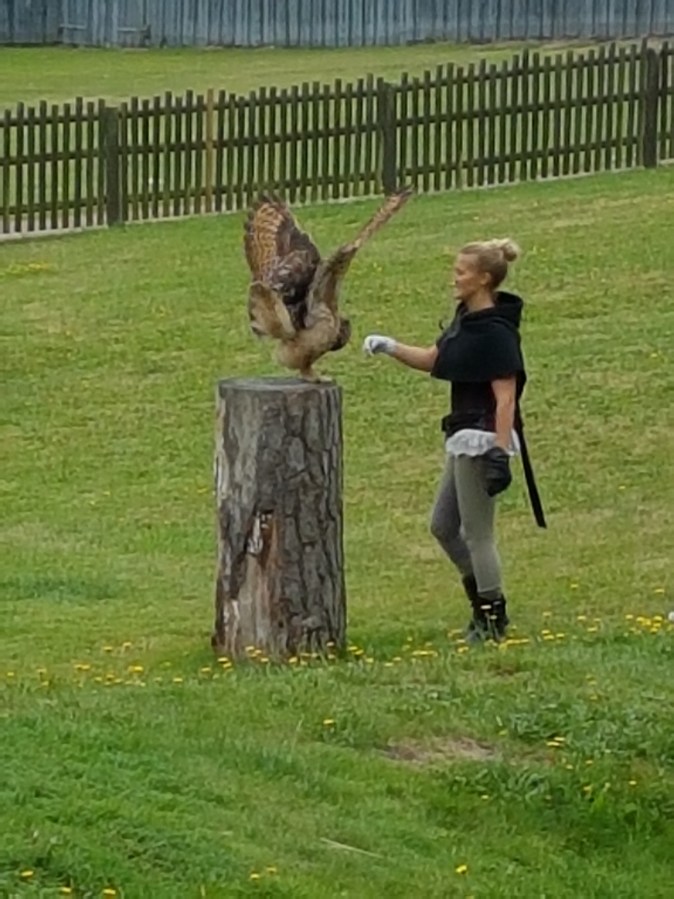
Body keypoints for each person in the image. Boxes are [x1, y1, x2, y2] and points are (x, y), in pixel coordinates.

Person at [362, 237, 545, 643]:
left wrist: (499, 451)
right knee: (443, 526)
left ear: (483, 279)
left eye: (461, 272)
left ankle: (492, 614)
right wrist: (390, 347)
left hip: (481, 438)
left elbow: (506, 398)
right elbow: (434, 359)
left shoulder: (496, 333)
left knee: (478, 534)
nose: (454, 279)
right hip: (462, 432)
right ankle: (481, 600)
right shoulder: (467, 321)